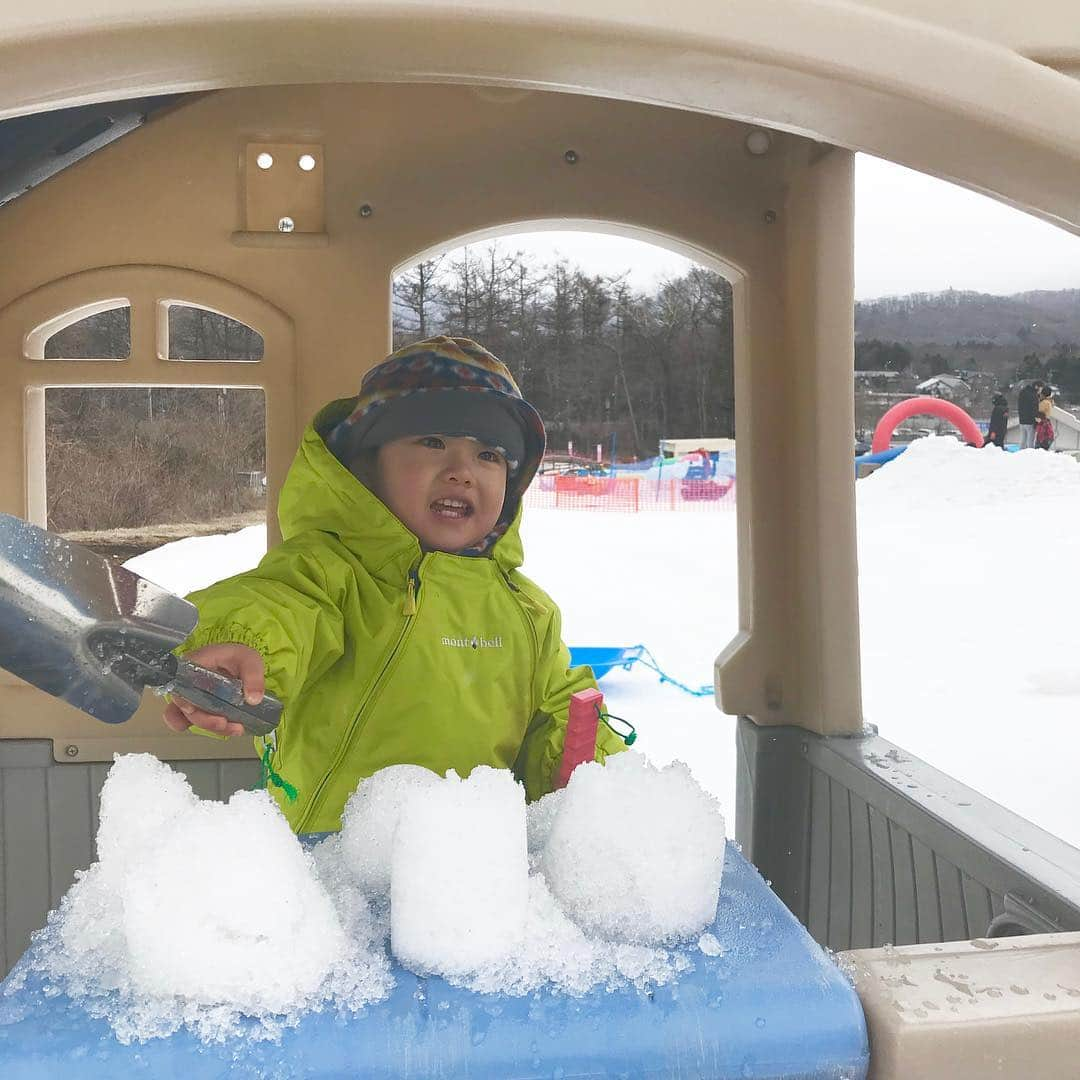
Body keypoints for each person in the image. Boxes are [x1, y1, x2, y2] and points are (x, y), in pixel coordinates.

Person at [161, 335, 626, 833]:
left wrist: (595, 767)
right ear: (368, 465)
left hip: (461, 872)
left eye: (489, 454)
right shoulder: (334, 569)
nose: (462, 472)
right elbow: (282, 603)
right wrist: (242, 644)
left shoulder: (528, 613)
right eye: (433, 442)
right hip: (326, 865)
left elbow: (558, 712)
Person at [1016, 379, 1043, 449]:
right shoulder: (1033, 396)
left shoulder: (1022, 392)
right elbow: (1034, 409)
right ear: (1036, 387)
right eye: (1040, 388)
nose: (1041, 391)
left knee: (1023, 439)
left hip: (1022, 420)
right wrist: (1037, 418)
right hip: (1030, 421)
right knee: (1030, 441)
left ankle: (1021, 454)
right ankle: (1030, 456)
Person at [1035, 385, 1055, 450]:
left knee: (1041, 441)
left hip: (1042, 424)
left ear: (1043, 394)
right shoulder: (1050, 401)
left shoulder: (1044, 402)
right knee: (1047, 439)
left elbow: (1038, 411)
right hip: (1047, 423)